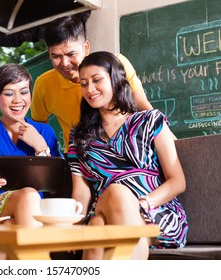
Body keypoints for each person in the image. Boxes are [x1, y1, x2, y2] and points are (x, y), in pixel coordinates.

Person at [67, 51, 188, 259]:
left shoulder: (150, 120)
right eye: (84, 83)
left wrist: (141, 204)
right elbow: (81, 192)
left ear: (115, 80)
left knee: (99, 224)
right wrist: (73, 225)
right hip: (103, 206)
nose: (90, 89)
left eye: (97, 80)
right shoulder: (78, 136)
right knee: (112, 197)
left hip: (156, 211)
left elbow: (177, 181)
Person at [0, 63, 62, 259]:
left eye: (24, 92)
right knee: (28, 195)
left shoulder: (45, 133)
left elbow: (55, 184)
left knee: (14, 224)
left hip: (34, 214)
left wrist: (41, 147)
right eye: (9, 93)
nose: (18, 100)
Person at [31, 14, 153, 154]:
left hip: (129, 153)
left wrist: (176, 150)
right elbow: (39, 127)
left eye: (71, 54)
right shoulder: (43, 84)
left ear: (86, 47)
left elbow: (146, 111)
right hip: (81, 159)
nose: (64, 63)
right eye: (56, 56)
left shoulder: (116, 65)